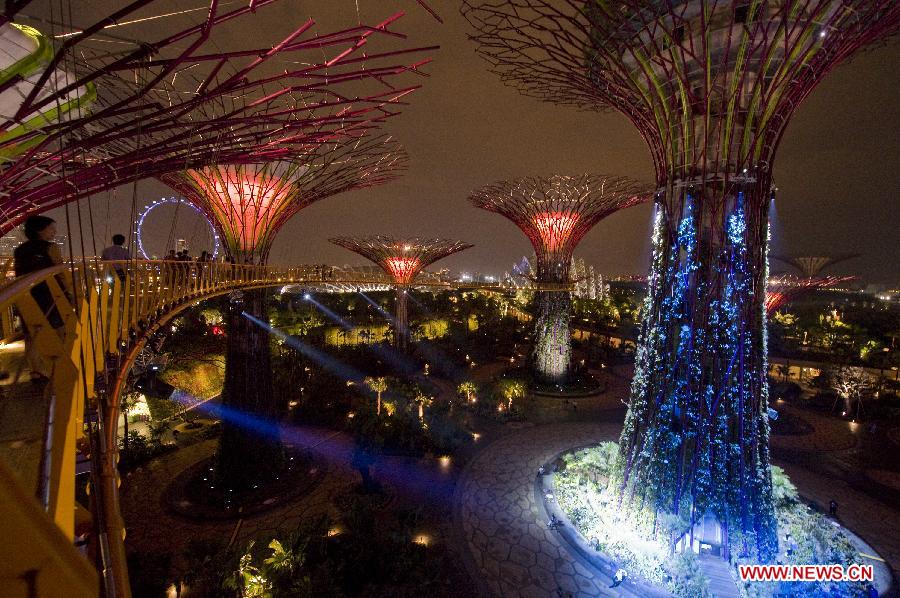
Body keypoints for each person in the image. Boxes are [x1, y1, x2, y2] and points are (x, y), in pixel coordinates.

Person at [14, 215, 65, 382]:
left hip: (27, 295)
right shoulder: (51, 248)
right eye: (51, 229)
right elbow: (61, 271)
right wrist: (70, 294)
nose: (54, 232)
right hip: (51, 294)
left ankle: (36, 371)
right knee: (59, 329)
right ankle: (59, 367)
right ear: (40, 230)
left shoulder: (19, 250)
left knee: (31, 333)